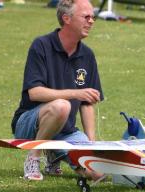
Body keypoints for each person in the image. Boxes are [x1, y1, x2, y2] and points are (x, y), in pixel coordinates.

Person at [12, 0, 104, 181]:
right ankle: (34, 157)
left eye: (93, 17)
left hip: (66, 130)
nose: (91, 21)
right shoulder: (41, 45)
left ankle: (54, 152)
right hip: (29, 124)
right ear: (66, 18)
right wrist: (74, 93)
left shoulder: (88, 55)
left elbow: (87, 104)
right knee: (61, 106)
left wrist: (91, 145)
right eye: (86, 16)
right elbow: (35, 93)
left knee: (97, 174)